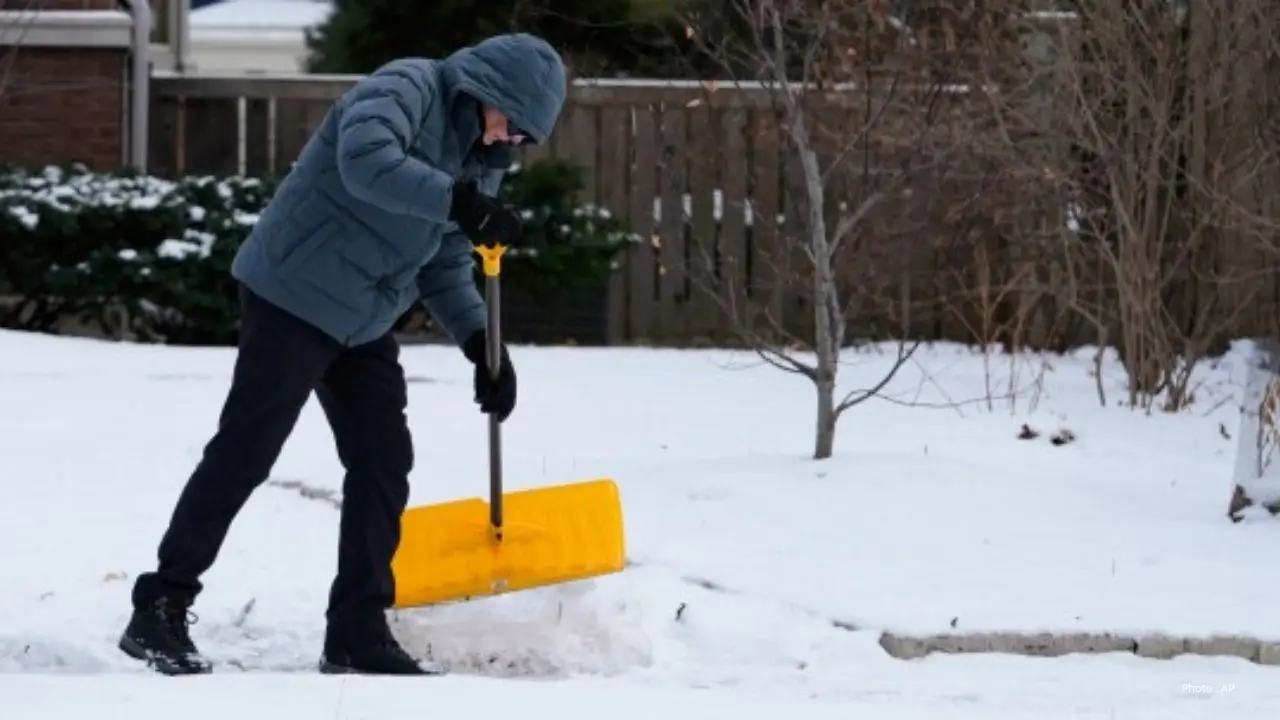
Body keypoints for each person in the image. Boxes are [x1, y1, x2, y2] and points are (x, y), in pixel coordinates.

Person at [117, 33, 568, 677]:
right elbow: (366, 159)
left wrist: (479, 342)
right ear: (495, 94)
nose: (513, 143)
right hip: (293, 291)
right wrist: (457, 201)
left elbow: (444, 255)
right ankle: (159, 604)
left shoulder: (481, 155)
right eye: (517, 128)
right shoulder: (408, 84)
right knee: (248, 448)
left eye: (526, 140)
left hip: (362, 317)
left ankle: (356, 630)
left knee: (384, 457)